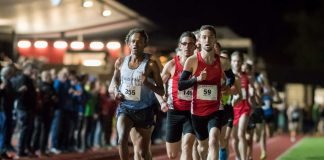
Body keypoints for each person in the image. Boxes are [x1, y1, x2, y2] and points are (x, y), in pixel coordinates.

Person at [110, 28, 164, 160]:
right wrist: (117, 91)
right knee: (122, 138)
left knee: (143, 153)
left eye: (139, 42)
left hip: (145, 111)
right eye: (132, 41)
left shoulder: (151, 64)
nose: (135, 44)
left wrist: (148, 84)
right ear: (128, 43)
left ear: (145, 44)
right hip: (126, 108)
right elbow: (116, 80)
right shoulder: (120, 62)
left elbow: (162, 90)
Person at [178, 25, 223, 160]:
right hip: (197, 111)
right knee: (202, 146)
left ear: (215, 40)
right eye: (204, 37)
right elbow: (181, 85)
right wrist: (196, 79)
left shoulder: (222, 62)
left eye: (210, 37)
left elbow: (231, 78)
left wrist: (228, 85)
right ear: (199, 41)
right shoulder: (192, 61)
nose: (207, 40)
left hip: (216, 108)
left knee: (214, 141)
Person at [156, 31, 196, 160]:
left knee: (187, 145)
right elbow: (157, 87)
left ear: (195, 46)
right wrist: (162, 102)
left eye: (190, 44)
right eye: (184, 44)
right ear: (180, 45)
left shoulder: (199, 65)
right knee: (172, 155)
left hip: (193, 113)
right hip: (174, 112)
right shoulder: (172, 65)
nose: (187, 47)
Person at [231, 51, 252, 160]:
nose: (236, 63)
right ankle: (238, 157)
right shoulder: (228, 76)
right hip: (232, 109)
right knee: (234, 138)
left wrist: (253, 97)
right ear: (231, 62)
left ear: (241, 63)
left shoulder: (246, 77)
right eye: (234, 61)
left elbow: (251, 91)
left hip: (244, 107)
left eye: (239, 61)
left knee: (241, 134)